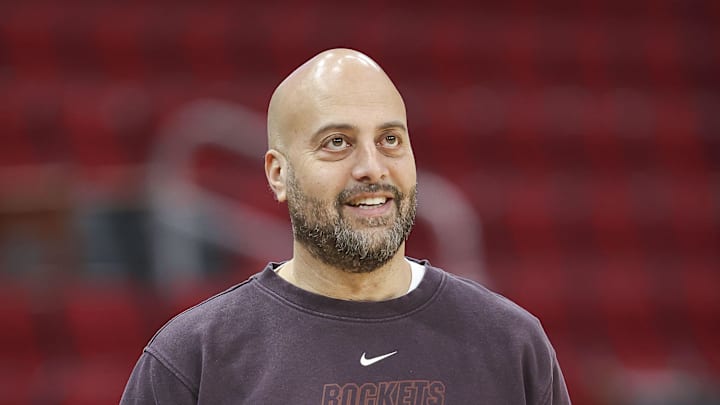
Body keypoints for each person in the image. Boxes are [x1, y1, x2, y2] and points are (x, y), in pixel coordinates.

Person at [121, 48, 571, 404]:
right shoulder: (194, 358)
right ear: (278, 174)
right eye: (338, 143)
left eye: (390, 140)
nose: (372, 168)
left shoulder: (511, 344)